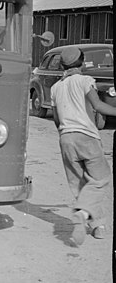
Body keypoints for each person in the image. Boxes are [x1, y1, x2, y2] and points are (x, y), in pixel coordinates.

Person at [50, 45, 116, 246]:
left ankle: (97, 226)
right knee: (101, 178)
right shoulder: (85, 81)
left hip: (66, 138)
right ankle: (85, 214)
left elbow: (56, 119)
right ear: (82, 63)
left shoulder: (55, 88)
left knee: (80, 183)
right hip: (86, 137)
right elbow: (98, 107)